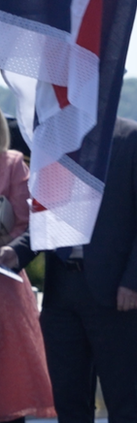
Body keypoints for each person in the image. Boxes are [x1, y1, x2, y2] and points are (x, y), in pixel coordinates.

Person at [1, 117, 137, 422]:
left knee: (123, 403)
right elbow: (45, 216)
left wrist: (134, 281)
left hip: (116, 293)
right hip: (62, 295)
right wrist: (16, 252)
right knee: (69, 402)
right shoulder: (54, 142)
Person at [0, 112, 55, 423]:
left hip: (3, 290)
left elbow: (29, 224)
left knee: (8, 392)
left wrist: (7, 242)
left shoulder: (11, 164)